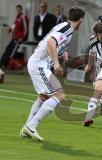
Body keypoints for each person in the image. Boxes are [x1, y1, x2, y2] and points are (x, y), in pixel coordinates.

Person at [20, 6, 85, 141]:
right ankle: (31, 126)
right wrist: (56, 64)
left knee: (43, 97)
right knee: (60, 95)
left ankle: (27, 128)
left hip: (37, 63)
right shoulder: (68, 29)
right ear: (81, 20)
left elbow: (52, 44)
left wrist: (61, 54)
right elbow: (51, 42)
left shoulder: (63, 25)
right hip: (39, 65)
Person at [0, 5, 28, 72]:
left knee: (11, 53)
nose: (17, 11)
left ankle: (4, 65)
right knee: (7, 49)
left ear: (21, 10)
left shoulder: (23, 17)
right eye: (17, 10)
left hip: (19, 39)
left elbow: (26, 29)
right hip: (14, 39)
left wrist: (22, 38)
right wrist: (10, 29)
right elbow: (14, 26)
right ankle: (1, 64)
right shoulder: (17, 18)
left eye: (19, 9)